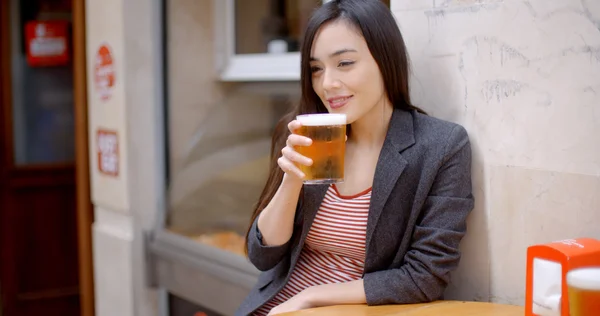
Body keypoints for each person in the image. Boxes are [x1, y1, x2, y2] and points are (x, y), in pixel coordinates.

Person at [236, 0, 474, 315]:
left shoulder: (440, 146)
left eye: (345, 63)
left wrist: (312, 297)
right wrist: (291, 180)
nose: (327, 83)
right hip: (275, 307)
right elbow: (263, 256)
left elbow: (425, 276)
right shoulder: (307, 131)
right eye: (316, 69)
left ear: (385, 59)